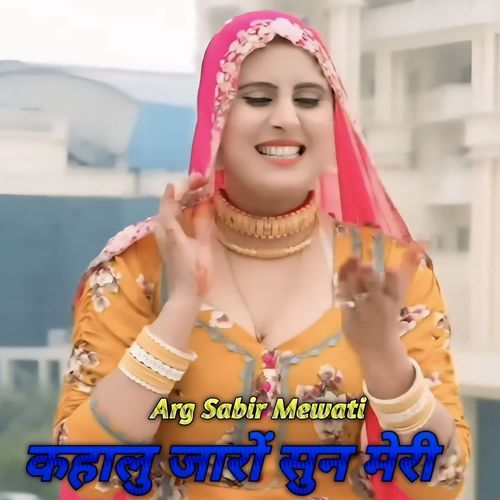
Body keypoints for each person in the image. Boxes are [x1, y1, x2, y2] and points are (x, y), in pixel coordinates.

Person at [53, 10, 471, 500]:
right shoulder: (138, 267)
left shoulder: (390, 274)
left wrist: (384, 359)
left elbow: (441, 485)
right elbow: (84, 474)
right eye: (257, 98)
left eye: (309, 100)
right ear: (216, 115)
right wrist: (179, 308)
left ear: (333, 121)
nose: (286, 118)